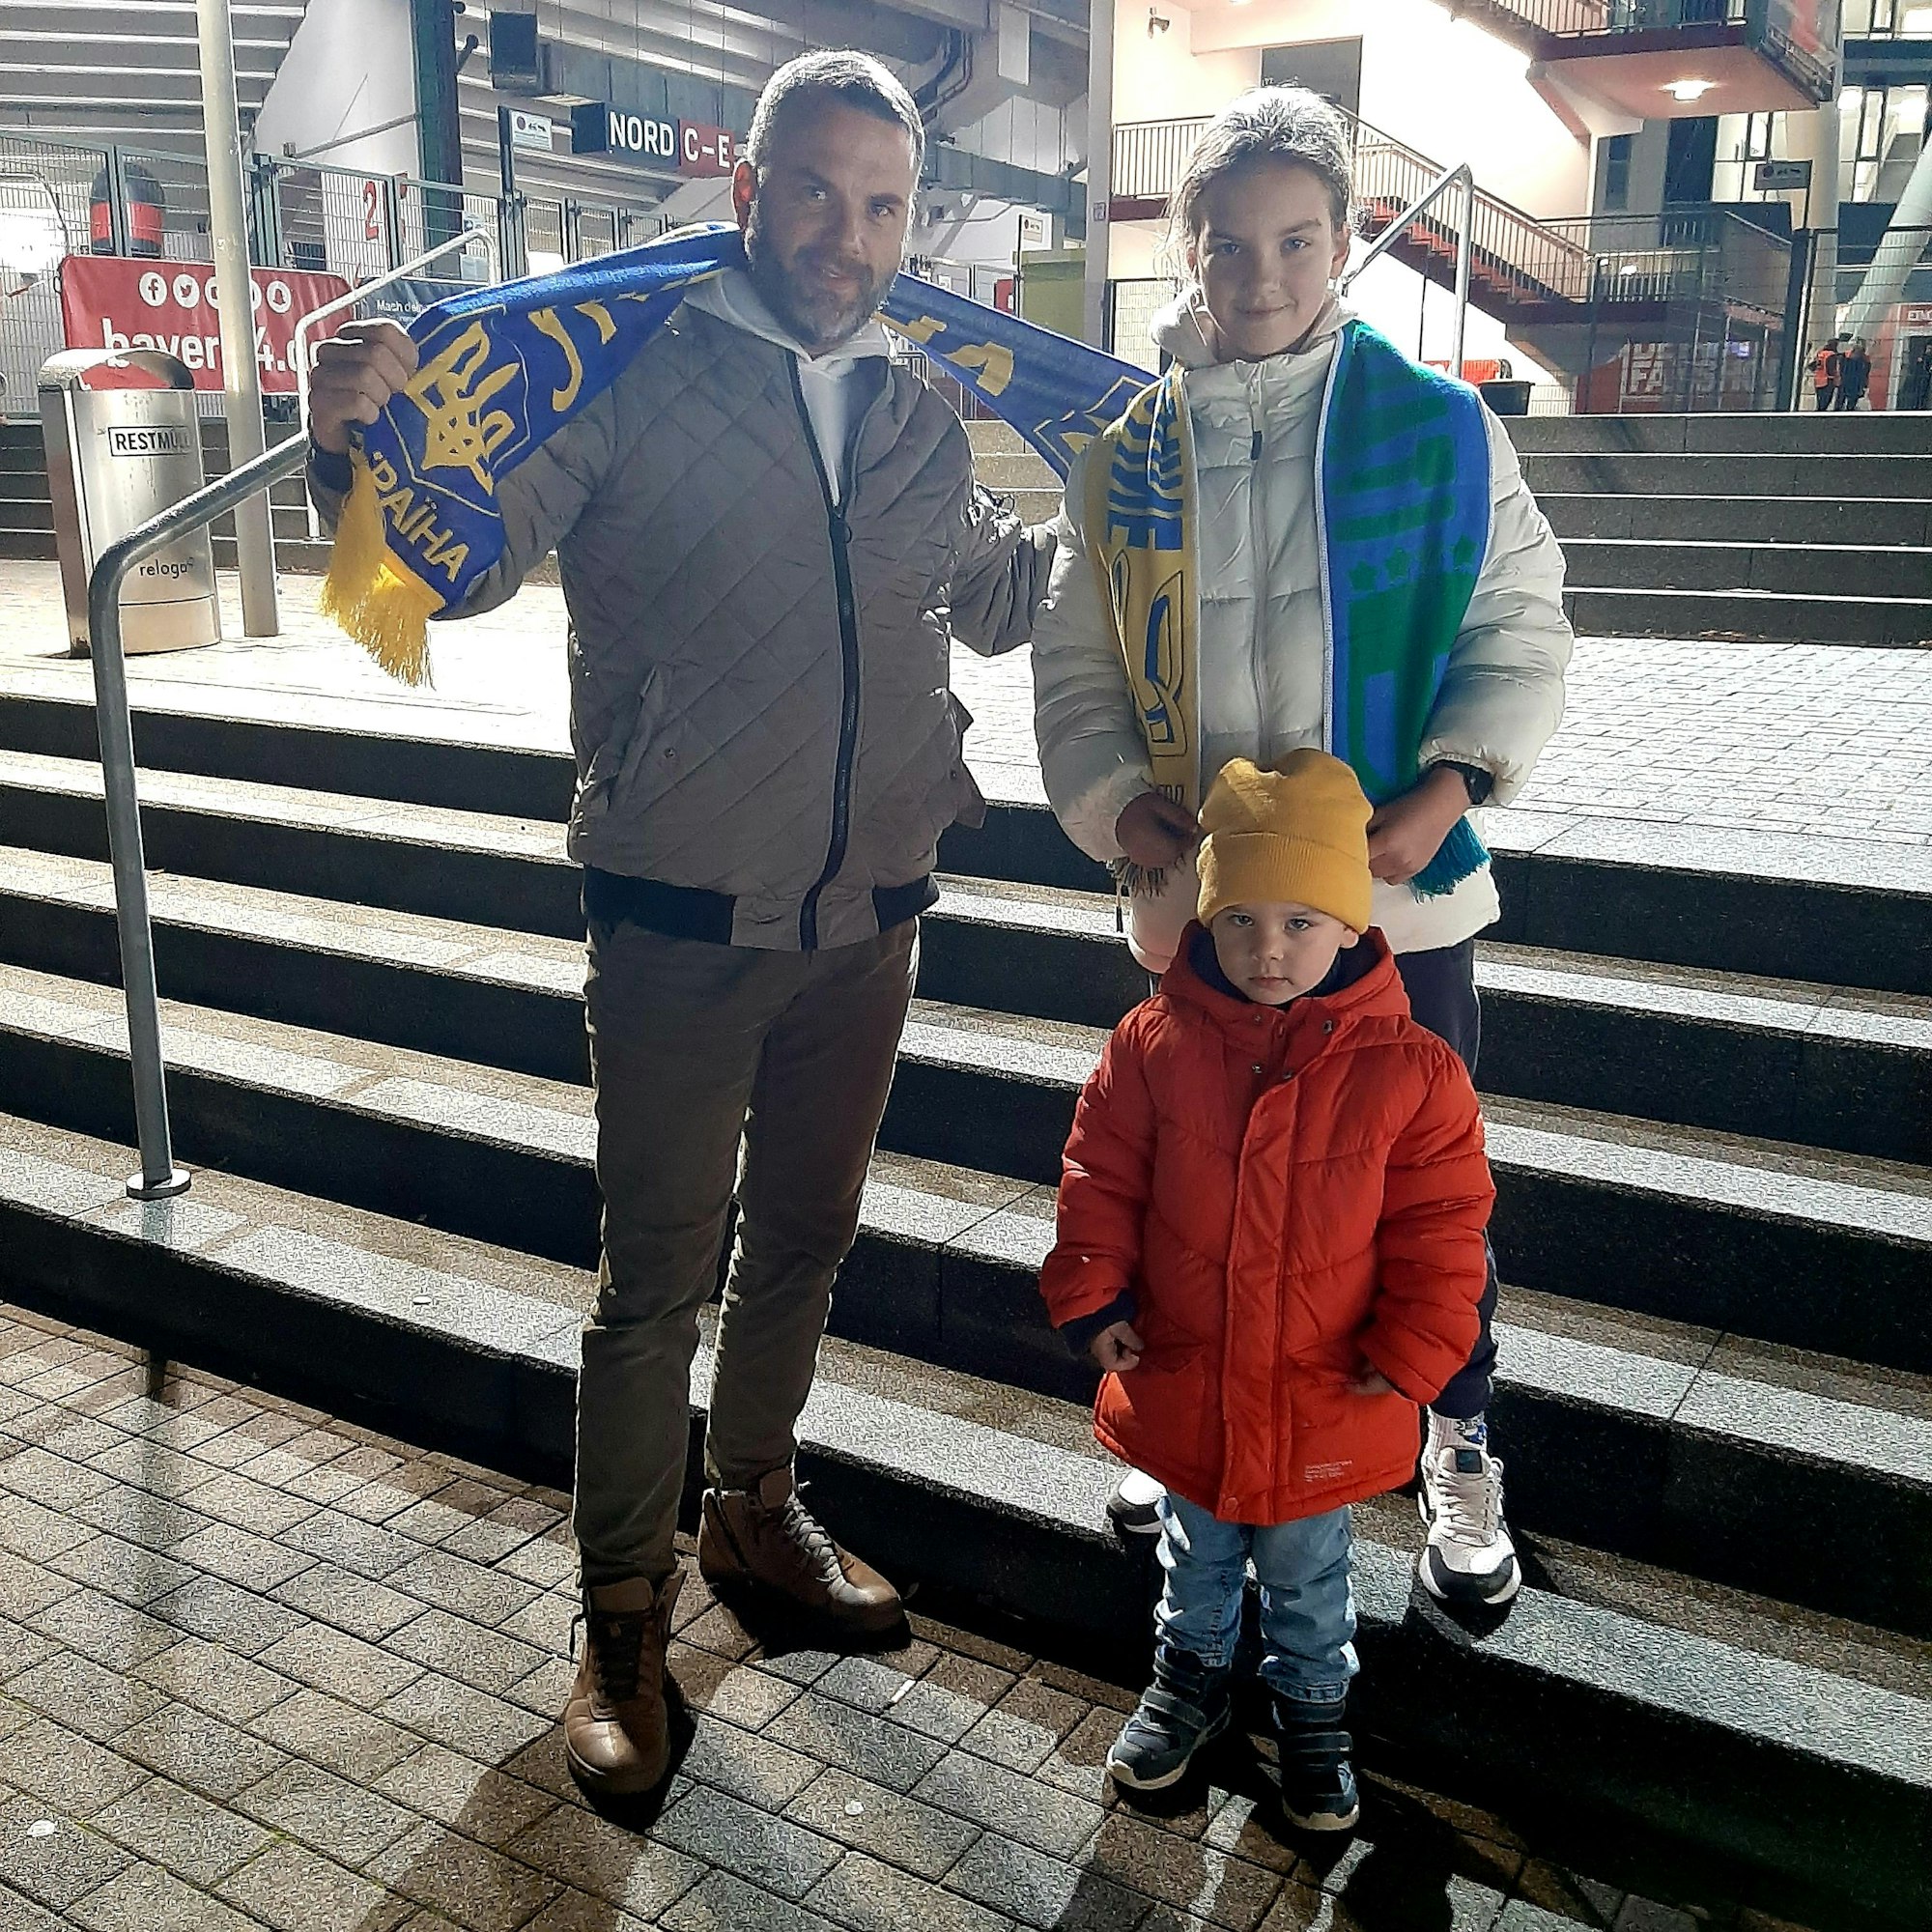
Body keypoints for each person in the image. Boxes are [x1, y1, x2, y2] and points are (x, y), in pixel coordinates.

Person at [305, 51, 1053, 1799]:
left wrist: (1156, 490)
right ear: (748, 186)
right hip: (675, 914)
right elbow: (457, 561)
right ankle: (620, 1615)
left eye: (880, 205)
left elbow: (1008, 599)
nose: (843, 235)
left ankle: (755, 1516)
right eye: (814, 190)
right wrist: (353, 439)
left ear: (909, 219)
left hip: (869, 913)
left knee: (802, 1246)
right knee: (655, 1288)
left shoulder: (923, 402)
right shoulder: (629, 367)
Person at [1030, 87, 1569, 1605]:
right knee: (1194, 1191)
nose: (1261, 274)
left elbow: (1520, 621)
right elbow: (1076, 668)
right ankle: (1182, 1429)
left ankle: (1457, 1436)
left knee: (1422, 1187)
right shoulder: (1129, 454)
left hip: (1392, 909)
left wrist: (1453, 783)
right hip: (1207, 910)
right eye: (1230, 242)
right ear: (1186, 247)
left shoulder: (1438, 427)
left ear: (1345, 246)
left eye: (1297, 240)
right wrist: (1116, 810)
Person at [1040, 752, 1494, 1823]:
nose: (1267, 948)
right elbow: (1098, 1175)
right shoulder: (1154, 1041)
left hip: (1327, 1383)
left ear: (1349, 922)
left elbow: (1444, 1227)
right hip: (1192, 1368)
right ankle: (1183, 1684)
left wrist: (1416, 1348)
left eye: (1300, 920)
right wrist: (1093, 1294)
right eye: (1239, 919)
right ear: (1205, 918)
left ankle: (1311, 1708)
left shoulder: (1410, 1066)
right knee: (1195, 1556)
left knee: (1307, 1566)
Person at [1836, 337, 1871, 411]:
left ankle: (1841, 408)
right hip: (1854, 382)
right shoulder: (1864, 359)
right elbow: (1865, 373)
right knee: (1850, 399)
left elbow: (1841, 368)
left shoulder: (1845, 356)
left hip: (1848, 380)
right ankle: (1848, 408)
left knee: (1842, 398)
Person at [1811, 334, 1844, 411]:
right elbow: (1832, 369)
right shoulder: (1831, 355)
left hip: (1818, 380)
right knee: (1826, 400)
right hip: (1828, 380)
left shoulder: (1820, 353)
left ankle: (1818, 413)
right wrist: (1836, 379)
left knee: (1820, 400)